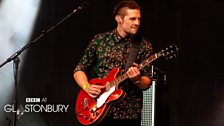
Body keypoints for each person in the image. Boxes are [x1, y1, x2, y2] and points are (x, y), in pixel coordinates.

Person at [73, 0, 153, 125]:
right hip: (97, 110)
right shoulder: (100, 41)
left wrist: (137, 79)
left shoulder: (143, 45)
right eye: (132, 19)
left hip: (128, 113)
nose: (137, 23)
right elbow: (79, 70)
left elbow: (147, 82)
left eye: (139, 19)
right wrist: (86, 87)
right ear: (119, 19)